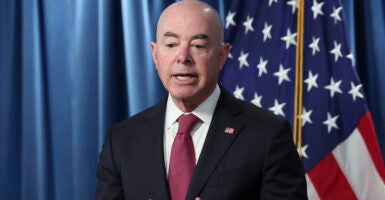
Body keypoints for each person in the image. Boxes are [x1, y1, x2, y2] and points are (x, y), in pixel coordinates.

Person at [95, 0, 307, 199]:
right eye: (171, 44)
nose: (183, 57)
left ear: (222, 56)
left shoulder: (267, 134)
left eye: (198, 46)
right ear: (155, 54)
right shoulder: (122, 140)